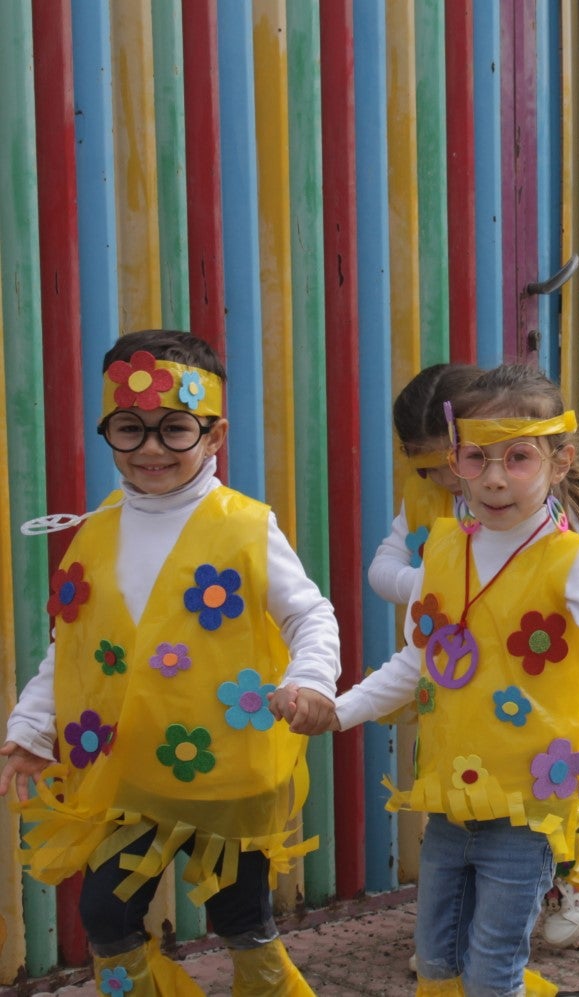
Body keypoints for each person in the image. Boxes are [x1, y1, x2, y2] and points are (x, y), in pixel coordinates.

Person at [318, 363, 579, 997]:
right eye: (476, 458)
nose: (494, 478)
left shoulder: (572, 558)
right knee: (437, 963)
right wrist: (338, 711)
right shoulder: (442, 548)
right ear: (455, 459)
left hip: (526, 809)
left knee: (494, 969)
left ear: (559, 463)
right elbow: (417, 663)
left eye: (518, 457)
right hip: (448, 801)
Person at [1, 330, 337, 995]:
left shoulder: (244, 524)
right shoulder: (95, 529)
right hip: (127, 773)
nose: (151, 448)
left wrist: (309, 678)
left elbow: (308, 612)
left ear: (214, 436)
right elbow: (72, 648)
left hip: (225, 772)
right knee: (104, 911)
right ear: (108, 432)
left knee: (239, 915)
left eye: (174, 429)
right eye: (131, 428)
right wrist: (31, 730)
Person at [370, 362, 481, 607]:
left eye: (455, 462)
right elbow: (381, 570)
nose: (447, 479)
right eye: (430, 469)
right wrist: (434, 583)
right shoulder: (422, 496)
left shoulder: (523, 495)